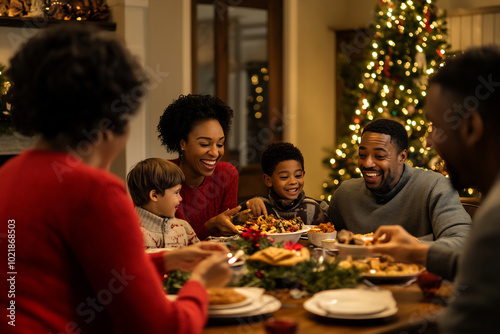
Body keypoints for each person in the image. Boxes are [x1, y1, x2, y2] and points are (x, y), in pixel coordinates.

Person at [0, 24, 231, 333]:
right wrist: (202, 283)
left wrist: (170, 260)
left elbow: (87, 274)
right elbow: (163, 327)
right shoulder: (93, 190)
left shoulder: (9, 174)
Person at [370, 45, 500, 333]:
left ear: (470, 127)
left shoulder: (494, 217)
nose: (429, 142)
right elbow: (482, 269)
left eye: (434, 126)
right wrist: (418, 253)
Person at [327, 118, 471, 249]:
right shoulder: (346, 193)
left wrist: (407, 248)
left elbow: (463, 241)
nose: (367, 163)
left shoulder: (434, 187)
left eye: (379, 156)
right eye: (362, 155)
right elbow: (324, 235)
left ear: (402, 157)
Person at [157, 94, 240, 240]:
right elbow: (165, 242)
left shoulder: (226, 174)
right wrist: (209, 227)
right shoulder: (161, 176)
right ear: (183, 144)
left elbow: (227, 236)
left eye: (220, 144)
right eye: (204, 144)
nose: (215, 152)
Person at [240, 142, 331, 225]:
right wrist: (247, 204)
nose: (293, 182)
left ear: (303, 174)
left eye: (298, 175)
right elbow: (231, 224)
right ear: (268, 180)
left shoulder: (313, 208)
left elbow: (329, 233)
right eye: (284, 177)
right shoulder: (260, 206)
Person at [127, 158, 200, 249]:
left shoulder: (184, 227)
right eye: (176, 192)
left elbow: (199, 258)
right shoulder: (131, 233)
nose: (180, 198)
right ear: (154, 195)